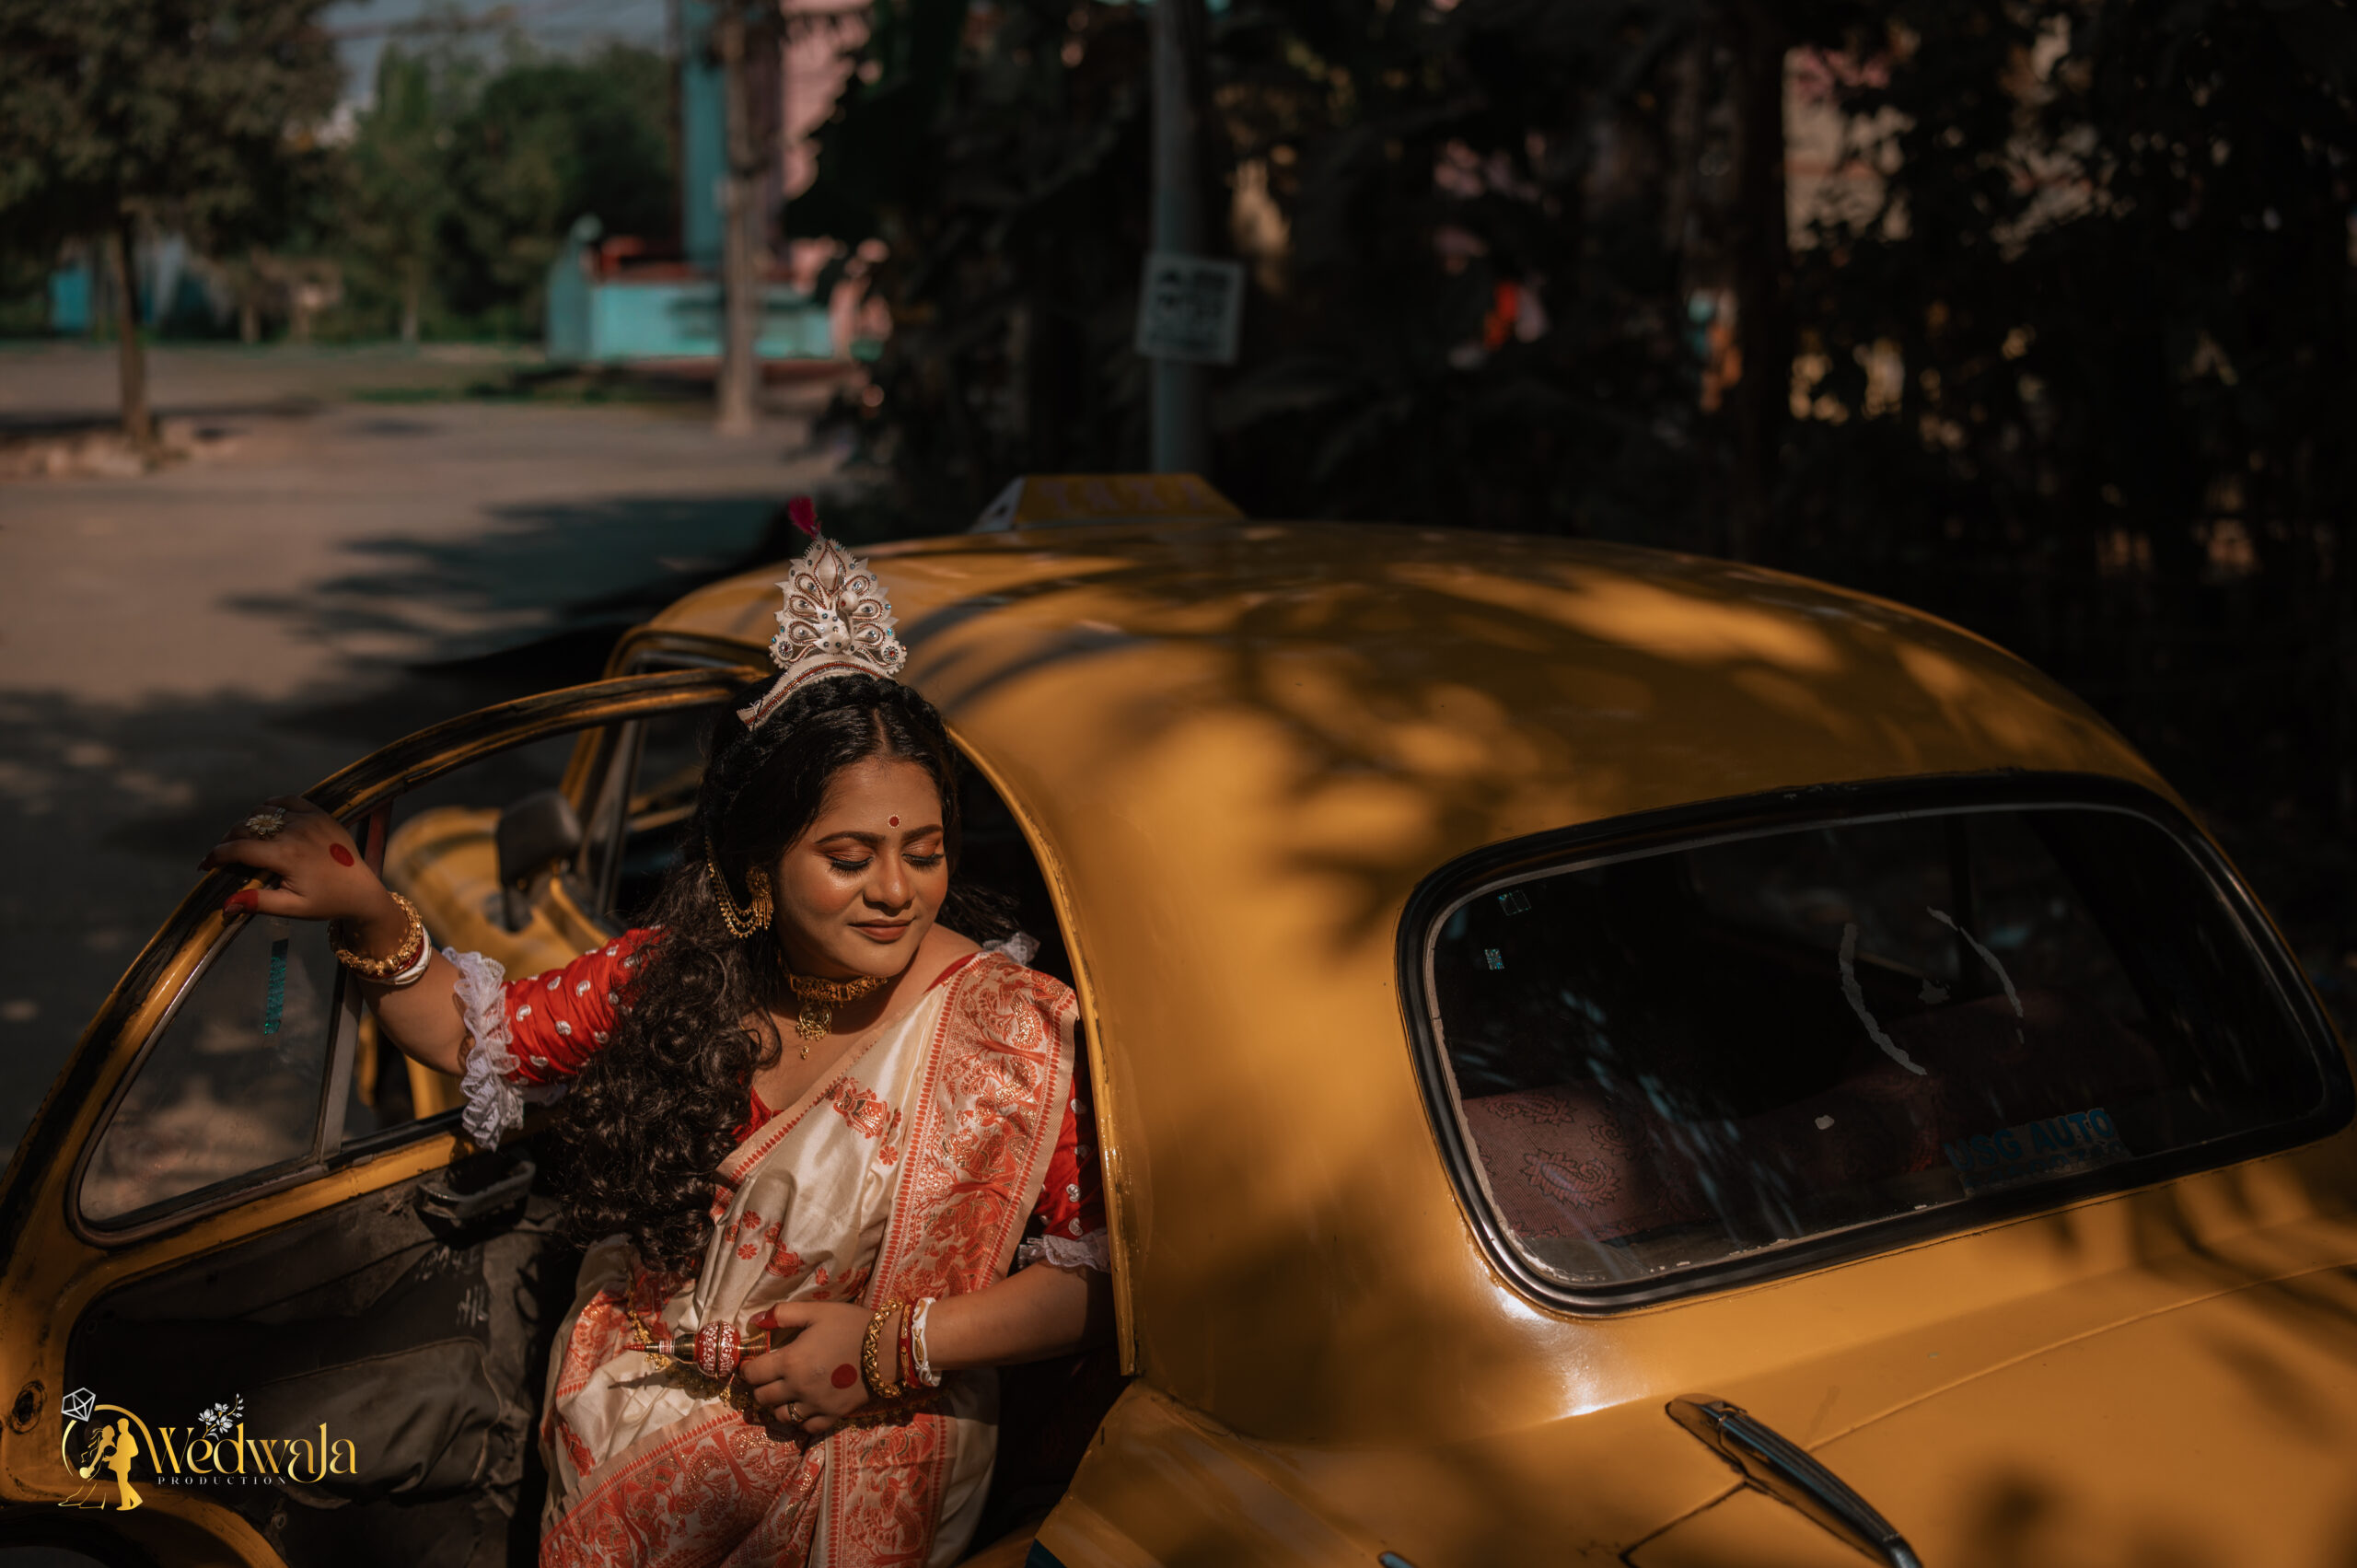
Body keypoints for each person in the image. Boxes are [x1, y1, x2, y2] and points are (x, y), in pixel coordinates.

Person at [203, 522, 1112, 1566]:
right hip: (629, 1447)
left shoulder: (1008, 1029)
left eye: (926, 850)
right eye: (850, 856)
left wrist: (889, 1346)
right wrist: (368, 909)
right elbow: (471, 1034)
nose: (897, 890)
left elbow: (1099, 1277)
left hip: (865, 1469)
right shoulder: (677, 978)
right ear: (759, 866)